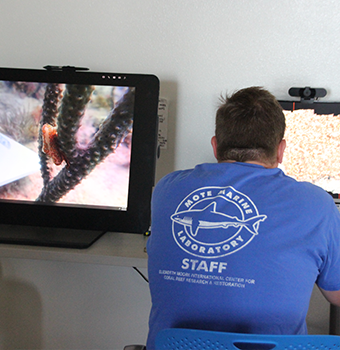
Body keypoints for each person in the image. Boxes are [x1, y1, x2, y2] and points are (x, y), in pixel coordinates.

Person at [146, 86, 340, 349]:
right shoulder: (318, 204)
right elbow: (336, 295)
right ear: (281, 151)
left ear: (215, 146)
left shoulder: (166, 189)